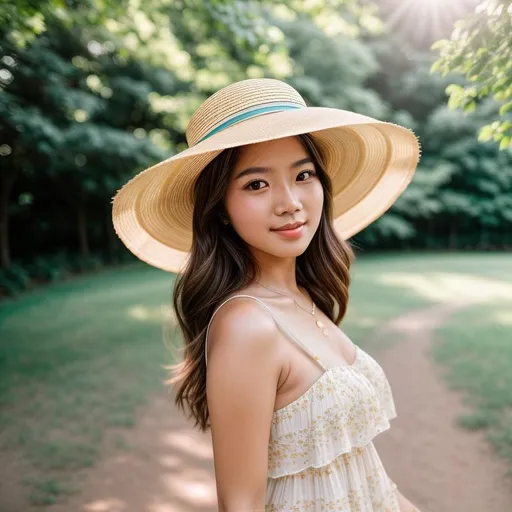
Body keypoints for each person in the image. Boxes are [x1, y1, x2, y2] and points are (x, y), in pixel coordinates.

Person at [112, 78, 423, 511]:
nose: (290, 202)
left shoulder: (303, 298)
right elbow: (240, 504)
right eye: (257, 184)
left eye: (303, 175)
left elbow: (362, 473)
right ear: (220, 207)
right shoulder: (247, 325)